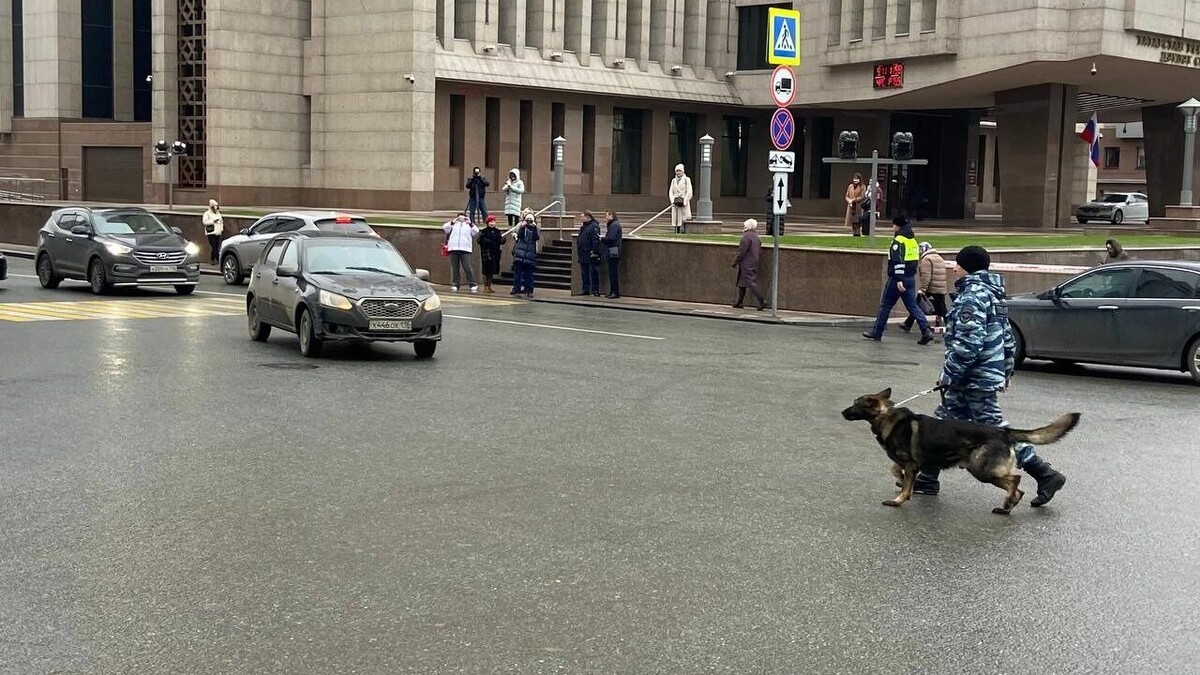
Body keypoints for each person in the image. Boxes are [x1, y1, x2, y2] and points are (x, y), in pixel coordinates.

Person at [908, 245, 1068, 506]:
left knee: (997, 433)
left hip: (972, 376)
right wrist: (1005, 370)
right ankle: (927, 477)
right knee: (942, 422)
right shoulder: (994, 294)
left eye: (957, 264)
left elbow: (970, 343)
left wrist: (949, 373)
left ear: (964, 266)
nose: (954, 268)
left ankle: (1045, 474)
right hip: (980, 374)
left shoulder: (972, 296)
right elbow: (1006, 337)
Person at [862, 214, 934, 344]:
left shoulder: (899, 241)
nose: (892, 227)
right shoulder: (913, 240)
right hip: (910, 278)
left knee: (885, 305)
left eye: (894, 224)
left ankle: (877, 332)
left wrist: (899, 279)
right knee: (912, 306)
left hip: (897, 279)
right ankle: (926, 330)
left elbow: (898, 261)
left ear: (898, 225)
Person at [900, 242, 948, 333]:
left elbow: (926, 276)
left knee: (917, 305)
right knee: (941, 307)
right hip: (940, 286)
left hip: (931, 287)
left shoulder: (926, 259)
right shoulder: (939, 257)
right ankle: (908, 323)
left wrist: (923, 289)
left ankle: (909, 324)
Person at [732, 218, 767, 310]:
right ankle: (740, 302)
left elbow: (742, 252)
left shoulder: (746, 237)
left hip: (746, 262)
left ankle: (762, 300)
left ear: (747, 227)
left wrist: (735, 262)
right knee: (742, 282)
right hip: (754, 261)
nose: (743, 227)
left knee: (750, 282)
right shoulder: (756, 236)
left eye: (744, 226)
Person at [443, 212, 479, 292]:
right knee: (455, 268)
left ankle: (473, 283)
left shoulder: (469, 226)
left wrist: (470, 223)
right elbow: (445, 228)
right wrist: (453, 222)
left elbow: (476, 231)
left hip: (465, 249)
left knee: (467, 267)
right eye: (460, 218)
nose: (461, 219)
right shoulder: (453, 225)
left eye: (463, 218)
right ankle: (455, 284)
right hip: (453, 248)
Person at [511, 211, 540, 298]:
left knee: (529, 274)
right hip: (520, 253)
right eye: (528, 220)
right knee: (518, 273)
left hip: (530, 254)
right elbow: (520, 236)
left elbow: (536, 237)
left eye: (531, 220)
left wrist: (534, 227)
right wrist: (523, 227)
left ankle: (529, 290)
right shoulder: (521, 226)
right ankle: (517, 289)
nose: (529, 222)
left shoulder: (535, 228)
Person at [478, 214, 506, 294]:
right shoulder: (484, 231)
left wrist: (503, 240)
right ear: (487, 223)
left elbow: (500, 240)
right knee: (486, 270)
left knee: (492, 270)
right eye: (490, 221)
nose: (492, 223)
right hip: (487, 253)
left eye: (493, 221)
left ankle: (489, 286)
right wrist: (485, 240)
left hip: (495, 253)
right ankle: (485, 286)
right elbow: (479, 240)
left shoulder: (497, 231)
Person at [577, 210, 602, 296]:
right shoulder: (583, 227)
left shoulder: (593, 226)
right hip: (583, 253)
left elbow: (595, 240)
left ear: (588, 217)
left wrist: (595, 251)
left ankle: (595, 290)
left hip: (590, 253)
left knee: (593, 272)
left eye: (582, 216)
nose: (581, 218)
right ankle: (586, 289)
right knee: (584, 273)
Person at [601, 210, 622, 299]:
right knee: (612, 272)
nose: (605, 218)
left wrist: (603, 239)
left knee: (613, 272)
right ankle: (613, 291)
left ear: (611, 216)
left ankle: (614, 292)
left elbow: (611, 238)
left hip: (613, 251)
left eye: (606, 216)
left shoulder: (614, 225)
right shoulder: (614, 225)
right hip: (614, 250)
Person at [669, 164, 693, 234]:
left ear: (683, 171)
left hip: (683, 200)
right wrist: (673, 200)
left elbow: (689, 191)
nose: (678, 172)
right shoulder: (673, 181)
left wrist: (685, 201)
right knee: (676, 218)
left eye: (679, 171)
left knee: (684, 216)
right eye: (677, 171)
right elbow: (671, 191)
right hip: (676, 201)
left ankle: (684, 230)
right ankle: (677, 229)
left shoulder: (687, 179)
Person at [202, 199, 224, 265]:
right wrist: (213, 221)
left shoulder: (218, 213)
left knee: (216, 246)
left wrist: (221, 228)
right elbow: (204, 222)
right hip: (211, 232)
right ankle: (216, 259)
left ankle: (213, 259)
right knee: (214, 246)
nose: (216, 208)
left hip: (217, 232)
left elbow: (221, 221)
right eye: (215, 206)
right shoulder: (207, 213)